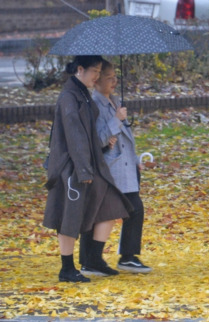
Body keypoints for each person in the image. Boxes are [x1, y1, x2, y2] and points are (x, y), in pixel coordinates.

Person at [43, 55, 132, 282]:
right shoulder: (69, 97)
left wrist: (102, 145)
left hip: (90, 162)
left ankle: (93, 259)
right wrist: (83, 170)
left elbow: (88, 132)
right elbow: (74, 136)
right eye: (95, 71)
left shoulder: (82, 93)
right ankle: (67, 268)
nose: (98, 76)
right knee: (70, 215)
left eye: (100, 71)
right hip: (72, 166)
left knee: (111, 203)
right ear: (79, 69)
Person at [80, 59, 152, 274]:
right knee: (100, 214)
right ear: (97, 79)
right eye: (109, 77)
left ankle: (124, 257)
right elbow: (99, 140)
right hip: (109, 170)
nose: (114, 81)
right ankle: (92, 260)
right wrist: (116, 119)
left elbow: (122, 140)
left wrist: (136, 160)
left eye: (115, 77)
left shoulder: (114, 101)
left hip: (125, 167)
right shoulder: (95, 105)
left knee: (134, 209)